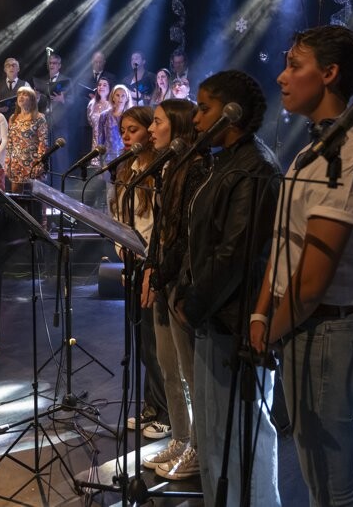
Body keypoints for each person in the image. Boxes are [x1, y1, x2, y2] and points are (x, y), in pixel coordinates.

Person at [250, 25, 353, 506]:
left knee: (333, 487)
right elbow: (285, 241)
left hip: (330, 330)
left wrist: (273, 330)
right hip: (304, 325)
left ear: (329, 74)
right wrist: (260, 312)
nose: (282, 76)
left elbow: (312, 280)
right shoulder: (313, 151)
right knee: (316, 476)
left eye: (294, 65)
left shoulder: (350, 152)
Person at [172, 70, 282, 507]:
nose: (196, 120)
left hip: (232, 320)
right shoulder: (226, 162)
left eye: (204, 109)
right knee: (215, 432)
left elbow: (235, 254)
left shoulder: (256, 168)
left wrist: (193, 304)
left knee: (240, 435)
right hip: (213, 317)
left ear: (231, 114)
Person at [141, 99, 208, 480]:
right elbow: (160, 230)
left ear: (179, 126)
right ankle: (180, 438)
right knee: (168, 366)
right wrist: (151, 267)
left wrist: (161, 274)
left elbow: (185, 235)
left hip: (182, 280)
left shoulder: (197, 168)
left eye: (157, 122)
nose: (151, 129)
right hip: (164, 275)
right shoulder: (167, 166)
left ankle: (198, 446)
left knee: (190, 370)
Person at [108, 106, 170, 440]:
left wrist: (149, 260)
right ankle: (151, 406)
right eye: (123, 131)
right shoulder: (125, 171)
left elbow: (162, 225)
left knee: (157, 343)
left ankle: (167, 413)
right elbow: (119, 220)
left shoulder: (162, 171)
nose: (127, 136)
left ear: (149, 131)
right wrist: (123, 250)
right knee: (143, 343)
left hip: (154, 264)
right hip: (132, 262)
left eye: (133, 129)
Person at [32, 53, 69, 178]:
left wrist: (63, 100)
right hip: (45, 123)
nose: (52, 65)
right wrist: (37, 98)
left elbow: (74, 101)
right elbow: (40, 103)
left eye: (54, 63)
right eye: (50, 63)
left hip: (60, 123)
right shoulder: (43, 81)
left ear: (59, 65)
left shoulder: (66, 80)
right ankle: (46, 180)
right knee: (46, 153)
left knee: (60, 155)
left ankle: (61, 180)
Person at [6, 86, 48, 190]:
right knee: (16, 196)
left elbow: (43, 143)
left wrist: (39, 164)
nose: (21, 97)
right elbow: (10, 142)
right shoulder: (13, 118)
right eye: (19, 95)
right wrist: (7, 163)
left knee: (35, 196)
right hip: (16, 164)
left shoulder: (39, 118)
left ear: (32, 99)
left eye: (25, 95)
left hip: (33, 163)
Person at [96, 85, 132, 167]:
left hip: (126, 156)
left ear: (127, 98)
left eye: (123, 96)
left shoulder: (130, 116)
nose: (120, 98)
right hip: (108, 157)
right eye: (117, 95)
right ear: (113, 97)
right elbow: (100, 138)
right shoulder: (104, 115)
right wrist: (100, 158)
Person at [86, 77, 111, 166]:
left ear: (110, 88)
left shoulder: (112, 104)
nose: (101, 87)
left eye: (104, 85)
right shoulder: (92, 103)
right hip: (95, 142)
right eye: (99, 85)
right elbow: (90, 120)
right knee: (95, 169)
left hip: (109, 142)